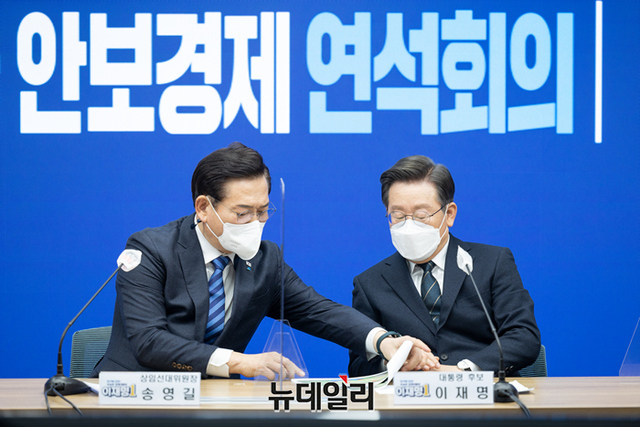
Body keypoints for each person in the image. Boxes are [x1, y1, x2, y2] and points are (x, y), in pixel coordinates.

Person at [92, 143, 438, 380]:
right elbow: (149, 341)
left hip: (213, 401)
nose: (255, 223)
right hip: (133, 398)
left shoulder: (264, 259)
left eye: (263, 211)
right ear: (204, 207)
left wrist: (384, 341)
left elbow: (319, 311)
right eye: (242, 213)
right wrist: (240, 362)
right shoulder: (151, 249)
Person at [349, 155, 540, 377]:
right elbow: (359, 366)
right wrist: (393, 363)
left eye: (421, 215)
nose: (409, 225)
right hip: (409, 395)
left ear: (449, 214)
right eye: (398, 215)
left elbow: (524, 336)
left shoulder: (492, 262)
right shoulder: (369, 283)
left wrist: (462, 371)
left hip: (484, 392)